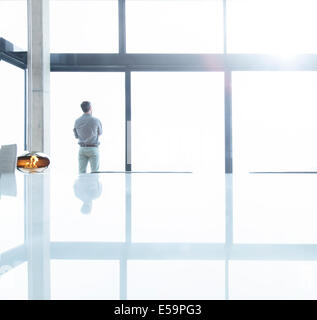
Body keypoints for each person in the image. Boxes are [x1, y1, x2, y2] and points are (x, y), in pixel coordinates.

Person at [73, 101, 102, 174]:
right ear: (90, 108)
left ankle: (83, 185)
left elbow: (76, 136)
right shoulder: (96, 120)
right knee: (95, 173)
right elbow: (100, 133)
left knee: (81, 173)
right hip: (93, 149)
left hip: (82, 149)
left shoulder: (77, 121)